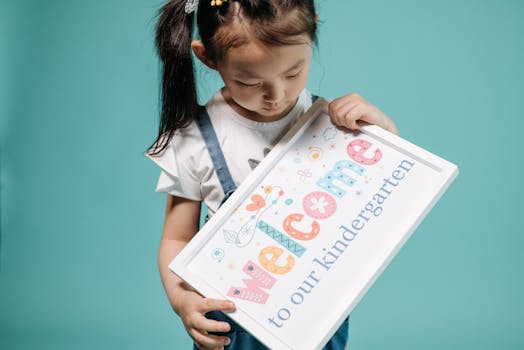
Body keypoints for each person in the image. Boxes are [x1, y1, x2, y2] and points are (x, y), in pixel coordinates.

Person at [147, 0, 399, 349]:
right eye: (249, 82)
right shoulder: (196, 139)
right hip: (231, 320)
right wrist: (181, 300)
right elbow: (177, 239)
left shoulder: (332, 122)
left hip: (312, 315)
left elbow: (388, 192)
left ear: (314, 30)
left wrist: (384, 131)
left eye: (293, 73)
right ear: (208, 58)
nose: (276, 96)